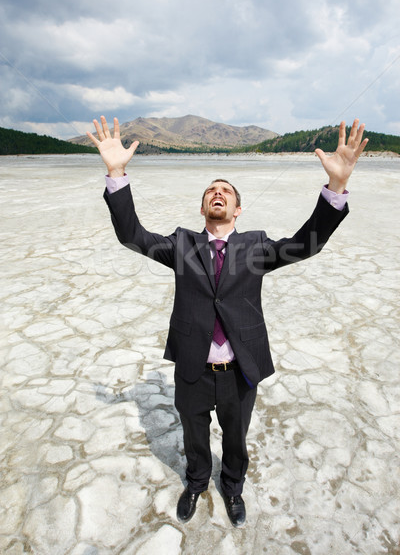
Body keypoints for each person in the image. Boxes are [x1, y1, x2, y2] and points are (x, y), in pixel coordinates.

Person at [87, 116, 368, 527]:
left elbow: (308, 243)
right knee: (194, 435)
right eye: (211, 192)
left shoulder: (255, 246)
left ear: (238, 209)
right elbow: (133, 235)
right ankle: (198, 481)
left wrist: (336, 189)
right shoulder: (183, 244)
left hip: (239, 370)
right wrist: (116, 173)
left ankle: (232, 486)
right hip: (193, 368)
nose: (218, 195)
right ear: (203, 208)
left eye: (226, 192)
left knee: (236, 439)